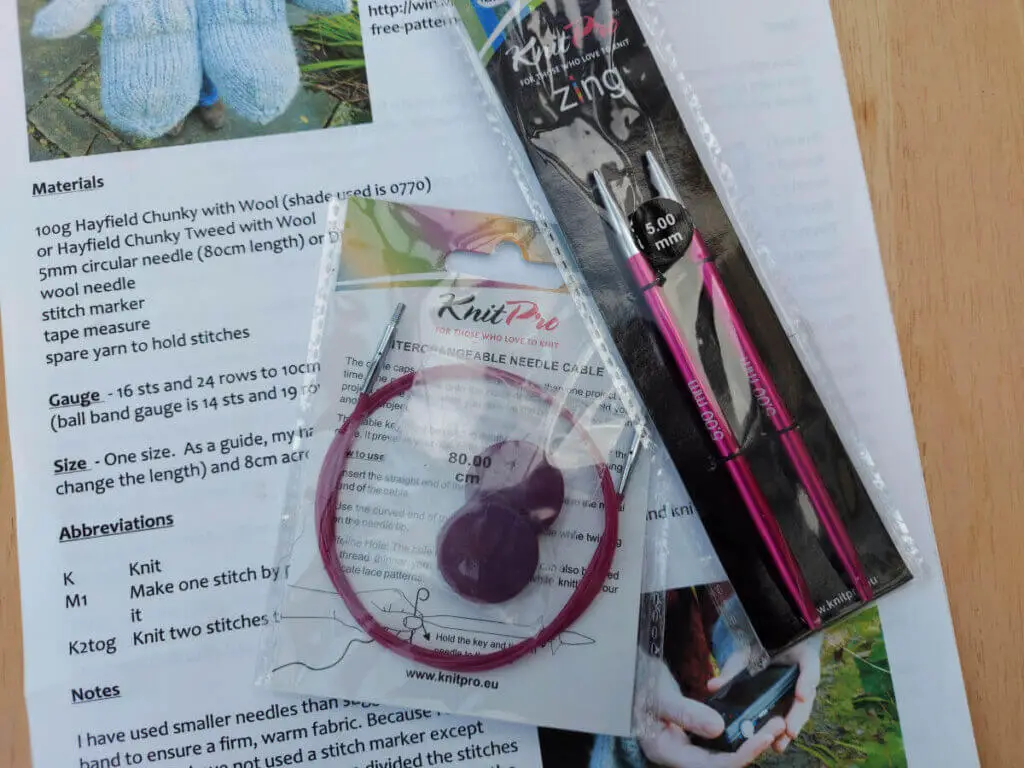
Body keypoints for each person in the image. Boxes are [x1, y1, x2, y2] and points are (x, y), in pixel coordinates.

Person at [588, 585, 822, 768]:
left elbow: (714, 550)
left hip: (683, 679)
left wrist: (763, 627)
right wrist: (624, 674)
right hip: (568, 735)